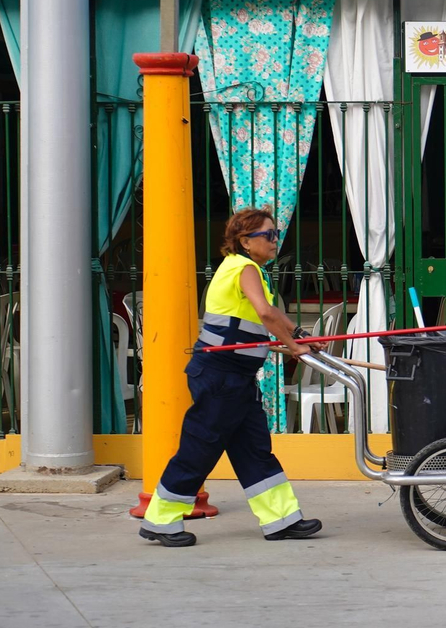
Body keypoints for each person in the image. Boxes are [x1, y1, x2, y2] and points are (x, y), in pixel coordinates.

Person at [137, 208, 322, 547]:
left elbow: (272, 313)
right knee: (200, 448)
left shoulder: (249, 270)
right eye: (268, 235)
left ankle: (281, 520)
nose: (274, 240)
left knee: (254, 449)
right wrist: (296, 347)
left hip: (235, 375)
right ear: (245, 241)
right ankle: (160, 521)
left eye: (275, 234)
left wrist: (299, 336)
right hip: (221, 375)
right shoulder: (245, 268)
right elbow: (265, 313)